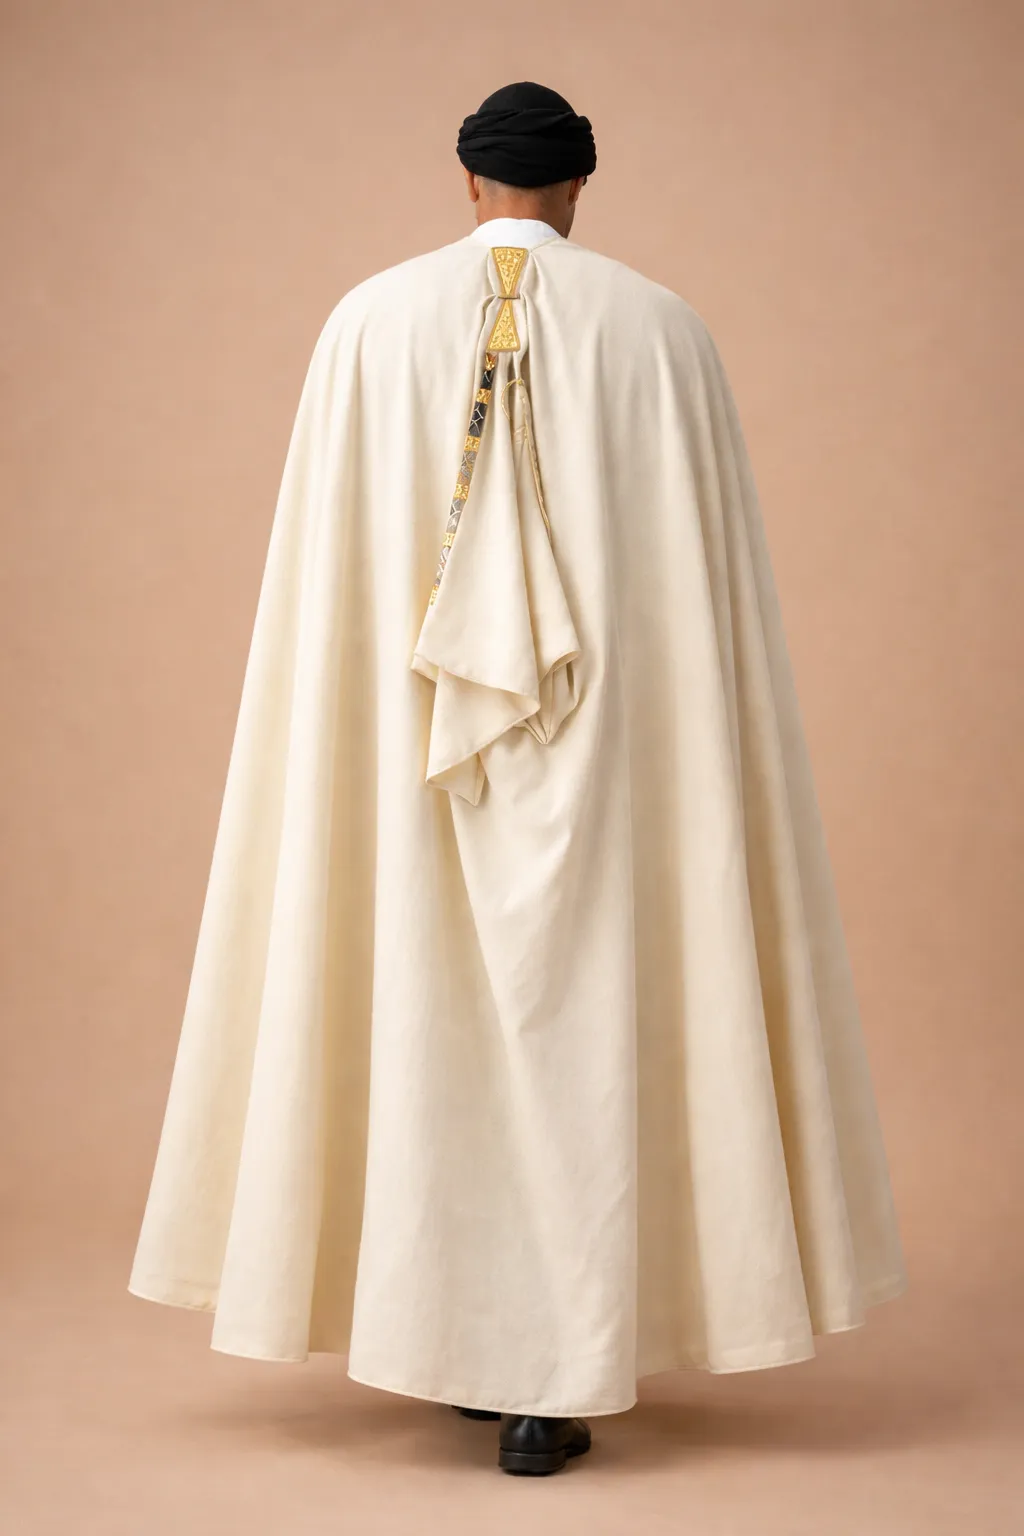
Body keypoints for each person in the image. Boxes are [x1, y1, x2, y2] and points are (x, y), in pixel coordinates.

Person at [129, 82, 906, 1477]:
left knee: (420, 1006)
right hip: (622, 765)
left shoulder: (366, 327)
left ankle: (464, 1341)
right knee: (594, 1022)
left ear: (468, 181)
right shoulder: (665, 334)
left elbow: (326, 592)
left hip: (407, 755)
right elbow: (707, 602)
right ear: (579, 186)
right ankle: (548, 1370)